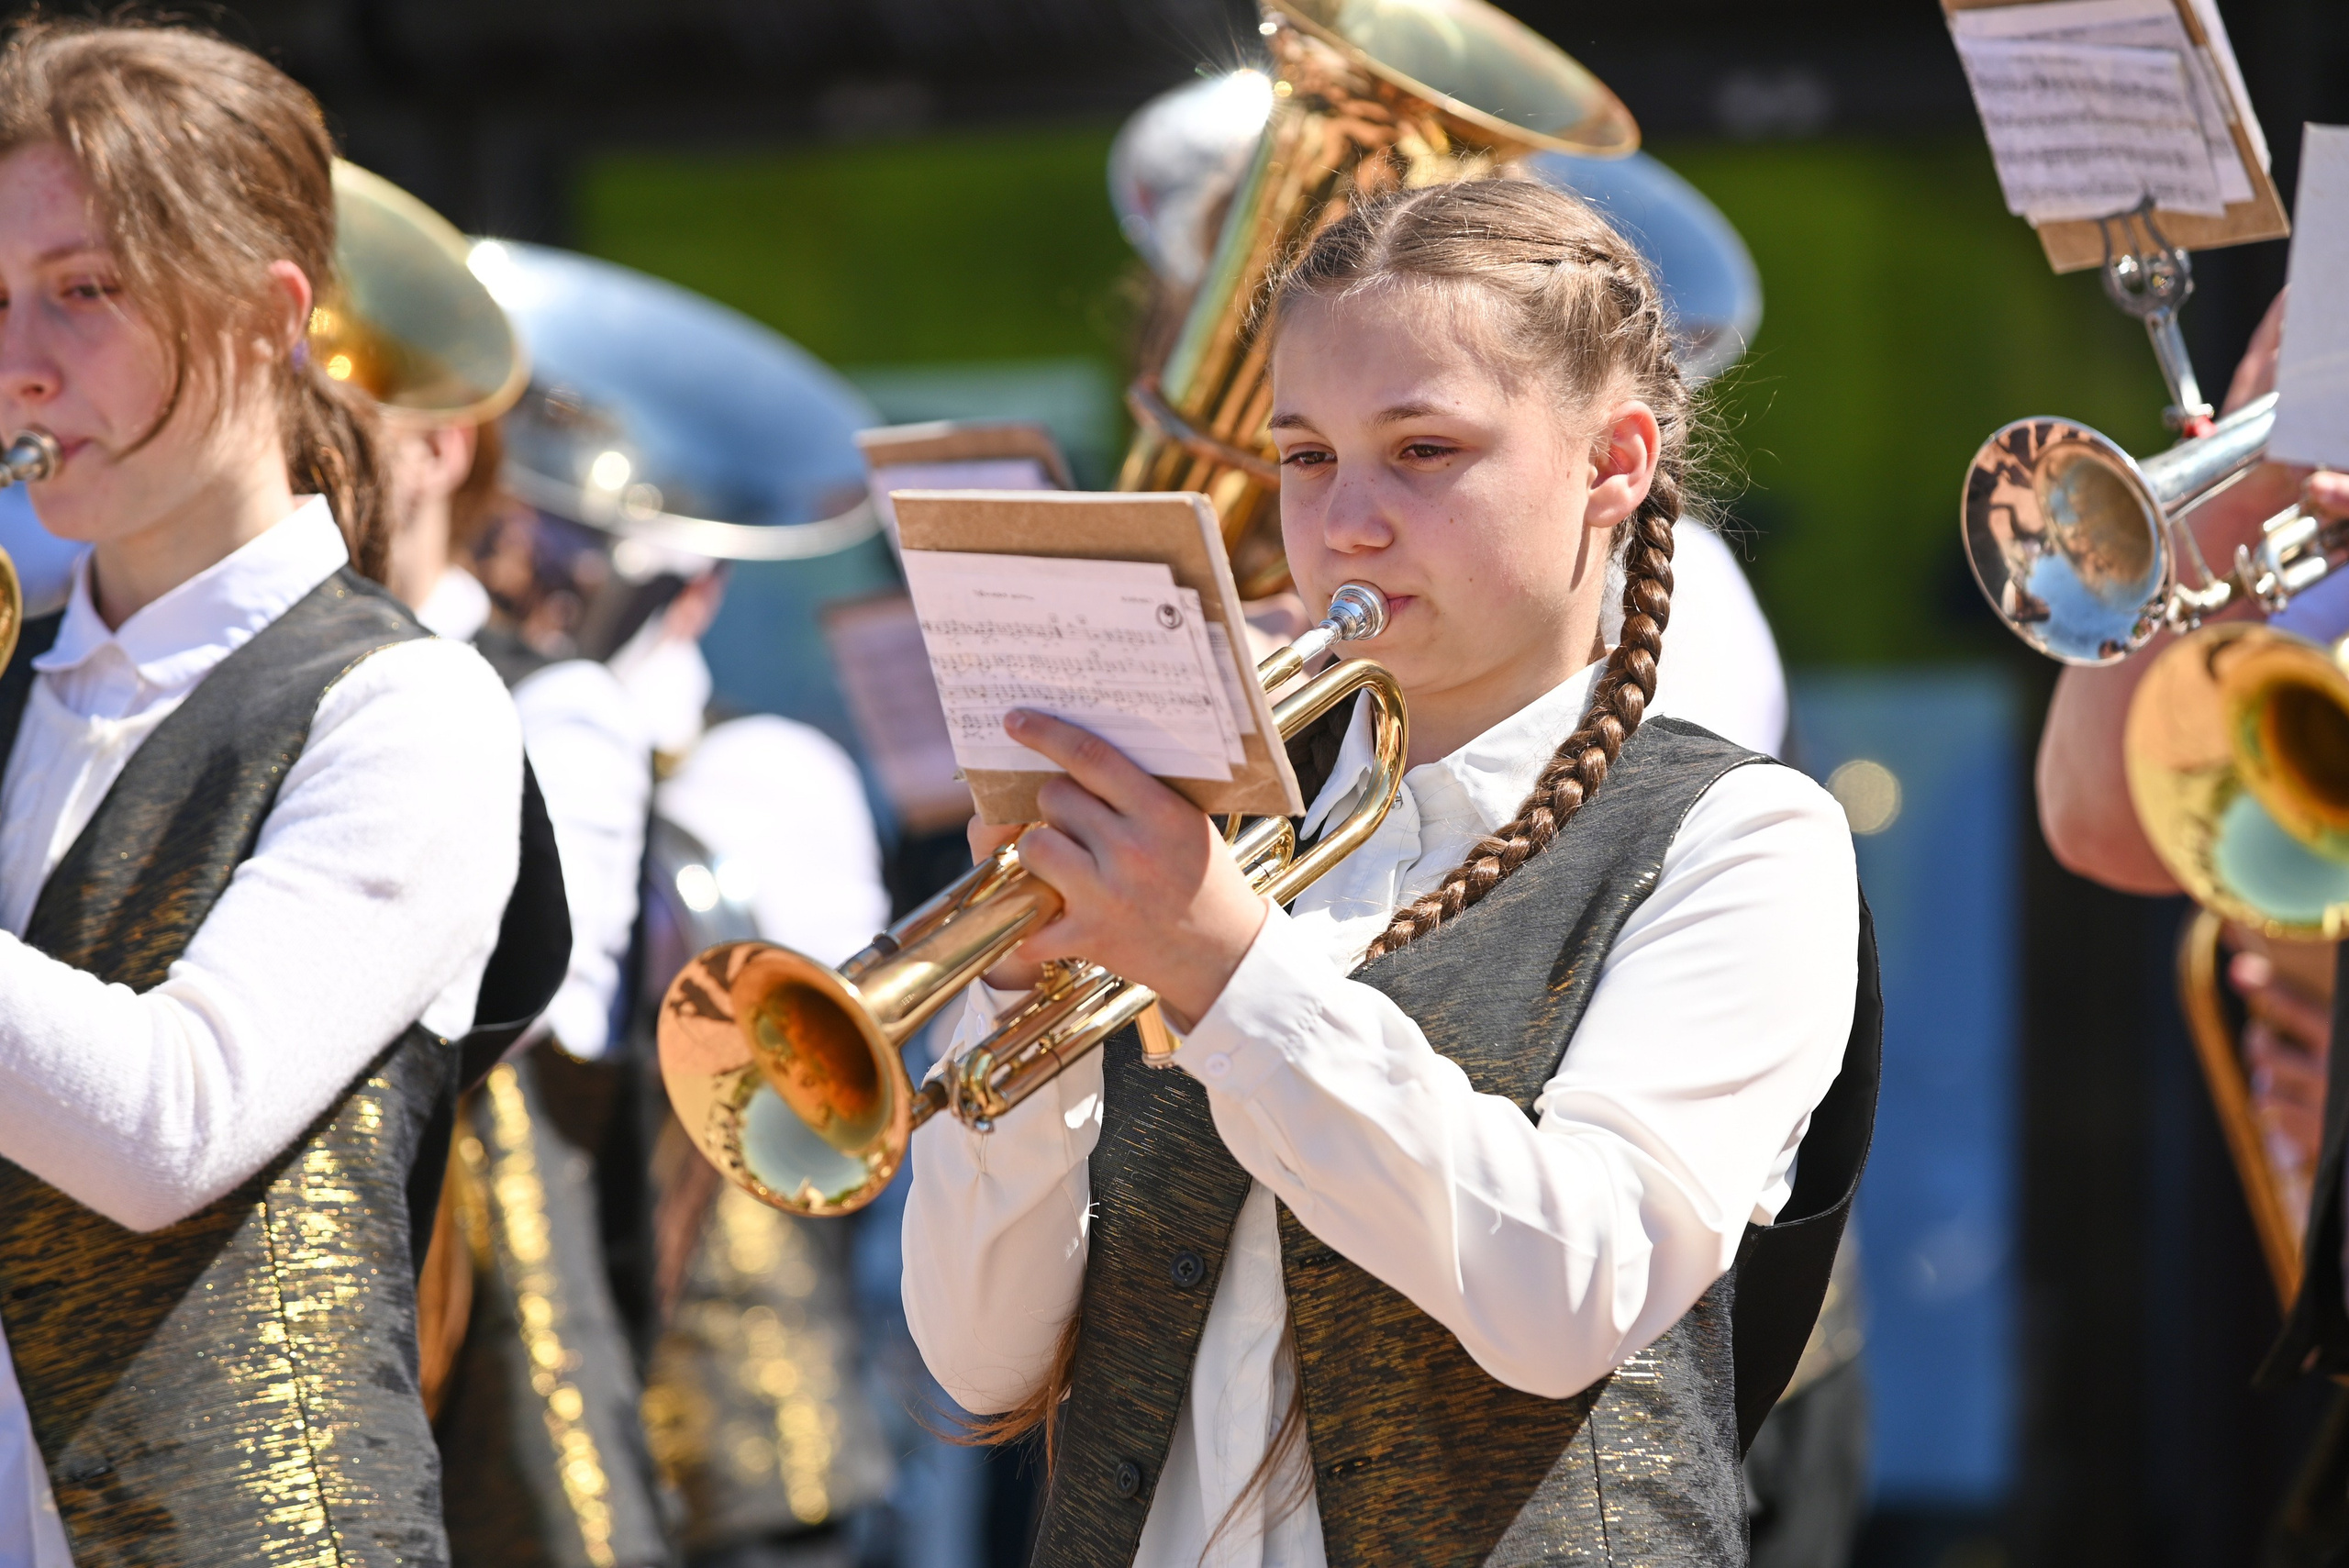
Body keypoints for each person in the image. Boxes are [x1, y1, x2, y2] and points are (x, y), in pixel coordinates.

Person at [902, 176, 1878, 1565]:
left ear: (1612, 465)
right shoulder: (1228, 809)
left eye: (1423, 450)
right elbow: (985, 1358)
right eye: (1305, 457)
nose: (1345, 522)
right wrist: (1018, 1005)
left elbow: (1569, 1288)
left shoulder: (1745, 839)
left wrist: (1221, 964)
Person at [0, 19, 565, 1567]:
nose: (16, 364)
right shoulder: (11, 692)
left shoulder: (413, 703)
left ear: (271, 317)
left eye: (85, 289)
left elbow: (169, 1123)